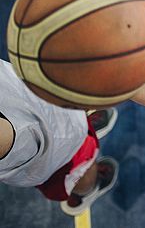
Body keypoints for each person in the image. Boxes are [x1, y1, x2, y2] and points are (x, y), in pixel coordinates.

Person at [0, 60, 119, 216]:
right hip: (54, 150)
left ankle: (81, 124)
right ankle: (86, 189)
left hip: (40, 106)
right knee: (77, 167)